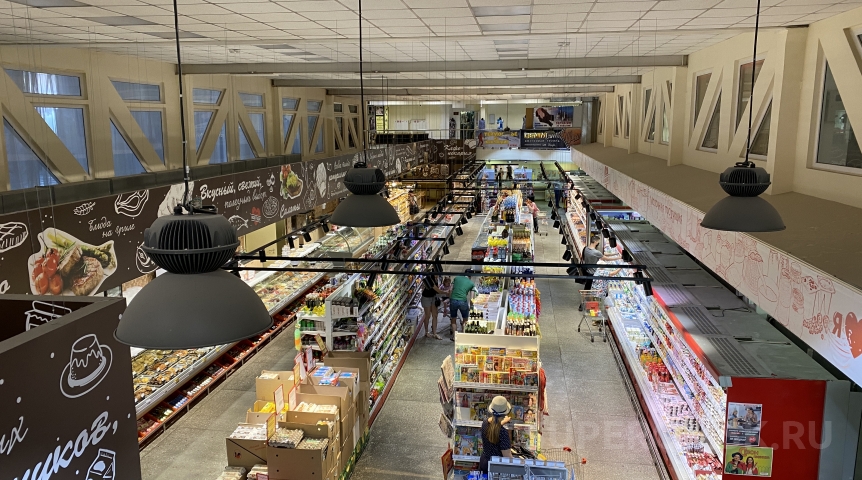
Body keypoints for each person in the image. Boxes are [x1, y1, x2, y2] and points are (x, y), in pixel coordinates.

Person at [480, 396, 514, 473]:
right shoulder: (503, 432)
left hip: (484, 462)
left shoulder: (485, 422)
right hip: (496, 467)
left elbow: (494, 428)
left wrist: (503, 422)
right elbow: (508, 457)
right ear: (505, 413)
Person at [449, 270, 475, 340]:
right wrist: (471, 307)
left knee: (453, 319)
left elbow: (450, 289)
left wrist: (450, 299)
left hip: (453, 300)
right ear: (471, 276)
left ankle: (455, 337)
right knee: (465, 319)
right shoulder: (471, 283)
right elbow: (471, 298)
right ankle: (463, 336)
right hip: (463, 301)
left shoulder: (456, 278)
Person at [420, 273, 443, 339]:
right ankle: (426, 332)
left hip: (434, 297)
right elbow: (438, 290)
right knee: (428, 315)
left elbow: (437, 290)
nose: (438, 275)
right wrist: (447, 293)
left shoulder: (437, 278)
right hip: (426, 298)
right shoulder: (430, 278)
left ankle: (435, 333)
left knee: (435, 315)